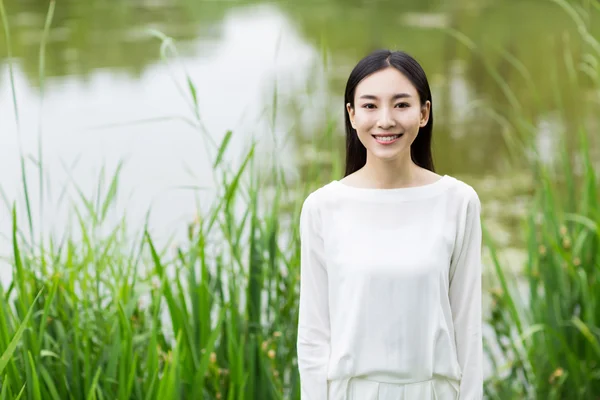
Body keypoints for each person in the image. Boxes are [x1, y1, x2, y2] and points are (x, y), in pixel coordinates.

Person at [296, 49, 483, 399]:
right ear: (351, 115)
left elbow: (468, 329)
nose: (385, 120)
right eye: (369, 106)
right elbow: (313, 336)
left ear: (424, 113)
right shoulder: (323, 207)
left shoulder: (458, 202)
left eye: (401, 105)